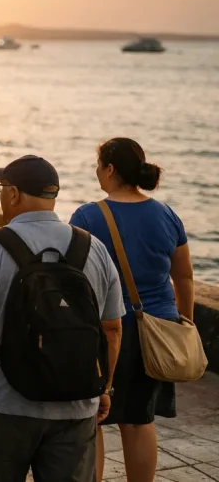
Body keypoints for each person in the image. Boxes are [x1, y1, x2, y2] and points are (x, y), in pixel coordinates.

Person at [0, 155, 124, 482]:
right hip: (76, 405)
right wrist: (104, 386)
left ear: (13, 194)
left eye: (1, 188)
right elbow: (111, 328)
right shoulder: (93, 248)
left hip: (4, 405)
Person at [69, 138, 193, 482]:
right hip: (157, 328)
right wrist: (185, 323)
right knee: (139, 420)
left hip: (106, 329)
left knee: (92, 418)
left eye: (98, 165)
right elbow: (183, 277)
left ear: (109, 169)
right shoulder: (168, 214)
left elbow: (74, 279)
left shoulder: (87, 216)